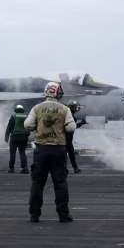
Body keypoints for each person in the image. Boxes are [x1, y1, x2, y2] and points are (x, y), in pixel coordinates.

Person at [24, 81, 76, 223]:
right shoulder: (64, 109)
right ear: (57, 92)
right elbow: (71, 128)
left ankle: (34, 215)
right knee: (60, 183)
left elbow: (28, 125)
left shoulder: (37, 108)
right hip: (58, 149)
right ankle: (63, 215)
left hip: (41, 149)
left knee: (37, 182)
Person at [5, 105, 30, 174]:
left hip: (15, 137)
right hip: (24, 137)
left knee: (12, 153)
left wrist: (6, 137)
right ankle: (25, 168)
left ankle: (11, 169)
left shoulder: (14, 116)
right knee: (22, 153)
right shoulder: (26, 116)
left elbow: (9, 127)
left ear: (16, 110)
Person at [66, 100, 87, 173]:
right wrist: (81, 123)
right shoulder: (70, 117)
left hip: (67, 138)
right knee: (68, 154)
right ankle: (74, 168)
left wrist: (81, 123)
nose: (76, 108)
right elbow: (74, 127)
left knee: (70, 153)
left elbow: (73, 127)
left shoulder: (68, 115)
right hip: (65, 138)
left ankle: (75, 168)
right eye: (74, 107)